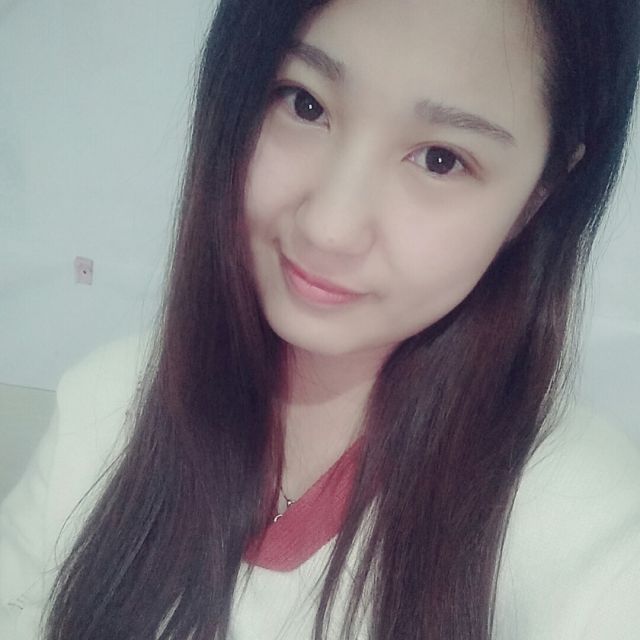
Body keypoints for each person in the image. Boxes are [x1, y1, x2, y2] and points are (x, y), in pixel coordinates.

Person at [2, 0, 640, 638]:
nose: (328, 227)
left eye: (441, 159)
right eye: (304, 104)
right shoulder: (106, 405)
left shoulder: (585, 527)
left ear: (537, 198)